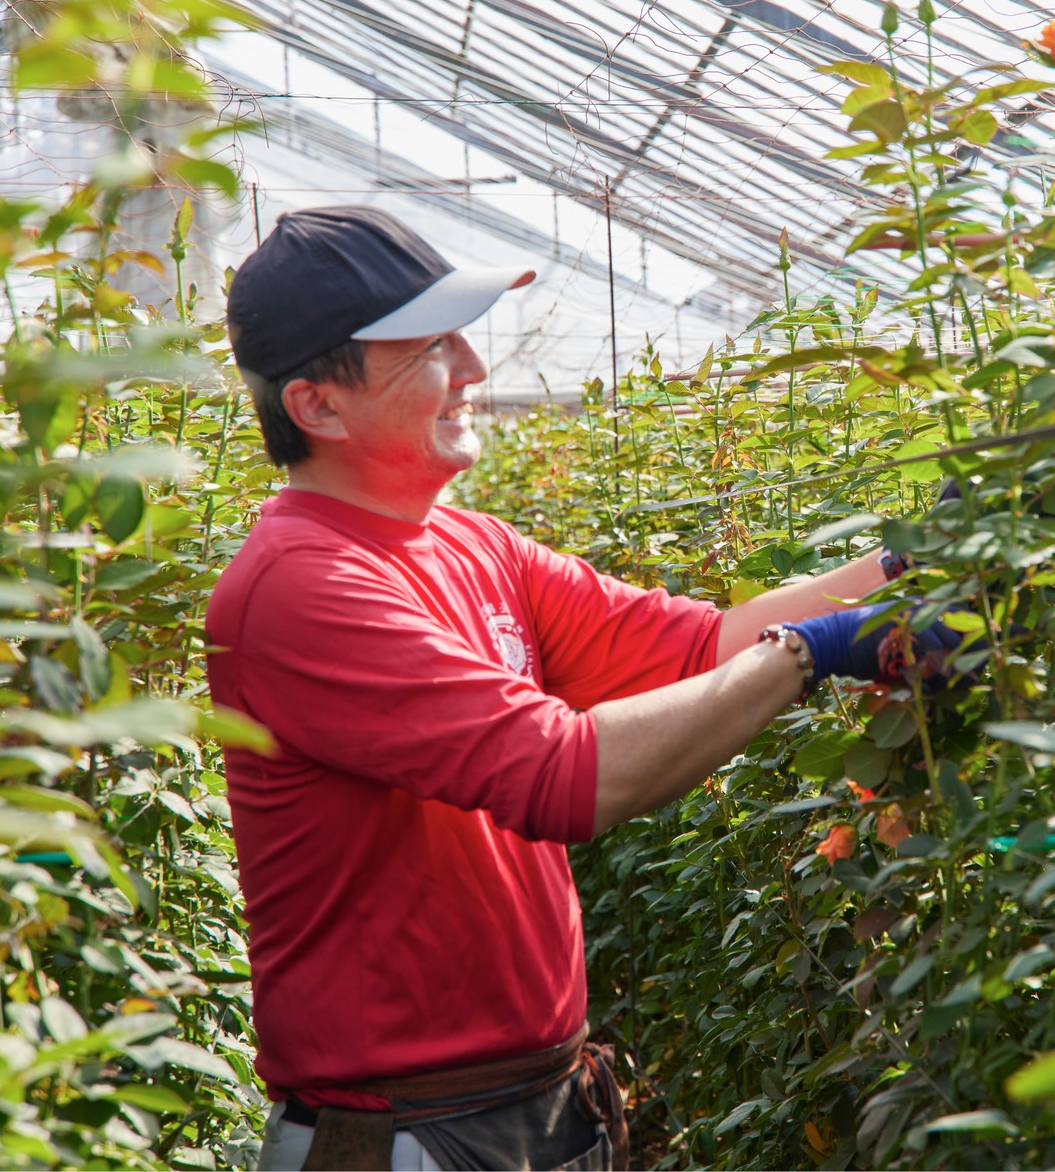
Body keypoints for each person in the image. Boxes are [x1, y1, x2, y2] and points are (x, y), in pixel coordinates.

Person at [208, 206, 955, 1171]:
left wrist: (917, 558)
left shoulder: (474, 545)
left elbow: (700, 646)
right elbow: (566, 777)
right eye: (431, 348)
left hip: (534, 1102)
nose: (473, 367)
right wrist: (809, 652)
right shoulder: (302, 587)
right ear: (318, 407)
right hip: (402, 1138)